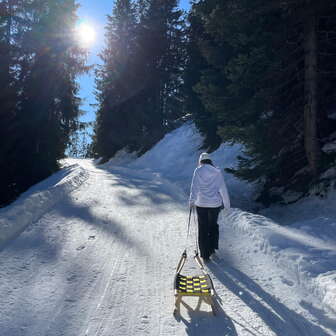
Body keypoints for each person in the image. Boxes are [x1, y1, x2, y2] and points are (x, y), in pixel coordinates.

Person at [189, 152, 230, 261]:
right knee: (213, 226)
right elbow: (223, 189)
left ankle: (204, 254)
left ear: (201, 161)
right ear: (210, 161)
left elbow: (194, 187)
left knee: (203, 227)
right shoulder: (217, 172)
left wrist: (192, 200)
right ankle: (212, 250)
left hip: (201, 204)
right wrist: (227, 205)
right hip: (214, 205)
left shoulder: (198, 171)